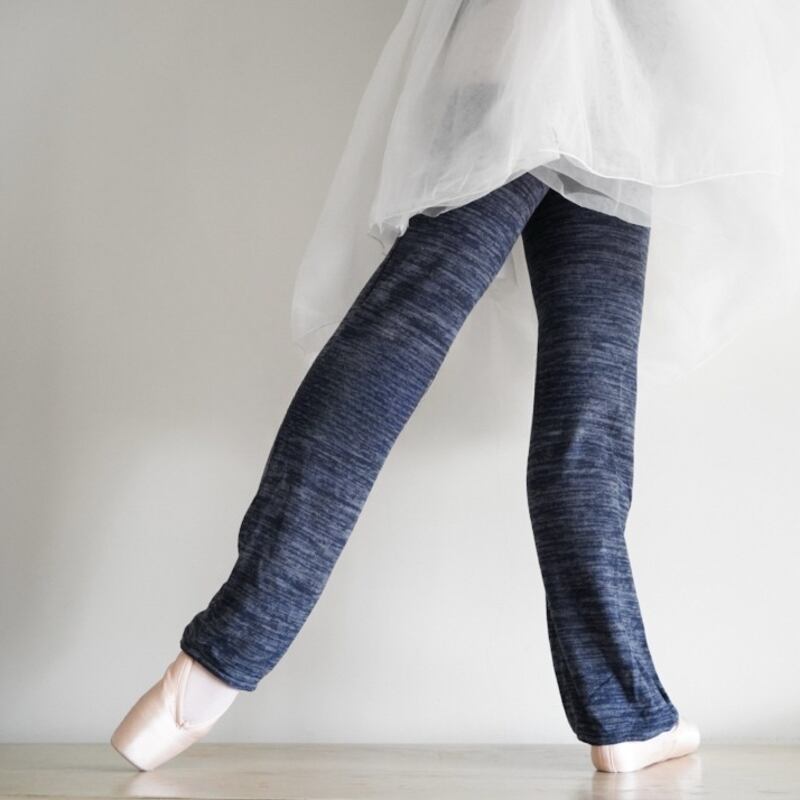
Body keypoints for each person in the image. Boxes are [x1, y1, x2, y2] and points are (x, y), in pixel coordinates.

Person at [109, 0, 799, 776]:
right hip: (601, 59)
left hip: (517, 53)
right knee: (553, 392)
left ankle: (625, 710)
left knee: (461, 349)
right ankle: (221, 660)